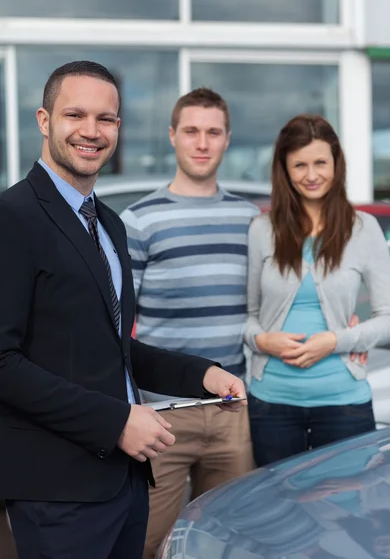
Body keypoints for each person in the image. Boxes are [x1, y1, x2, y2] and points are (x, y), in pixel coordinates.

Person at [0, 61, 247, 559]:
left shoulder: (110, 224)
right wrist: (115, 422)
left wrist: (201, 374)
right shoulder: (12, 218)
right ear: (45, 121)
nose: (91, 131)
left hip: (127, 483)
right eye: (76, 115)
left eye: (106, 119)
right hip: (58, 493)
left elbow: (109, 346)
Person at [120, 87, 259, 559]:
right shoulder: (138, 222)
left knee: (229, 543)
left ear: (227, 140)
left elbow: (276, 298)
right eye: (192, 131)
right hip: (162, 417)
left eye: (213, 132)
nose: (202, 142)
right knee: (144, 542)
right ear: (173, 137)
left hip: (231, 412)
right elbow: (115, 322)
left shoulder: (248, 219)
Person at [245, 114, 390, 467]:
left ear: (336, 163)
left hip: (343, 403)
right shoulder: (261, 230)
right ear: (283, 169)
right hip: (271, 405)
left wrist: (338, 340)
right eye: (299, 165)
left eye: (320, 163)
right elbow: (247, 319)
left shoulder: (363, 228)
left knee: (343, 514)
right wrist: (262, 341)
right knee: (276, 514)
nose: (311, 175)